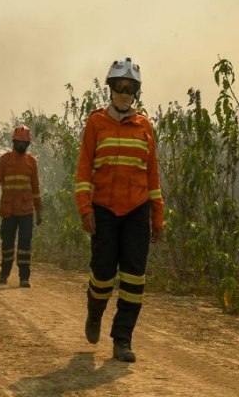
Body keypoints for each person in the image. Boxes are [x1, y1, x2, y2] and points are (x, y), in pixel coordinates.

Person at [75, 57, 164, 363]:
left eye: (130, 88)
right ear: (111, 88)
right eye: (120, 87)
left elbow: (152, 176)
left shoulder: (145, 127)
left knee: (134, 278)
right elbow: (84, 171)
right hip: (103, 209)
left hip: (137, 211)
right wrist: (85, 209)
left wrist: (158, 216)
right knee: (102, 275)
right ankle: (95, 311)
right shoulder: (96, 123)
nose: (125, 93)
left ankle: (122, 339)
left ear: (136, 92)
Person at [0, 125, 42, 288]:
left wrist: (39, 210)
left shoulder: (32, 162)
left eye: (25, 143)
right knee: (7, 244)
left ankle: (24, 277)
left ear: (28, 144)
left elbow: (35, 187)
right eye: (20, 142)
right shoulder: (5, 160)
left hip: (26, 211)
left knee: (25, 244)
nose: (22, 145)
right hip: (8, 210)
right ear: (14, 141)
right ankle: (4, 274)